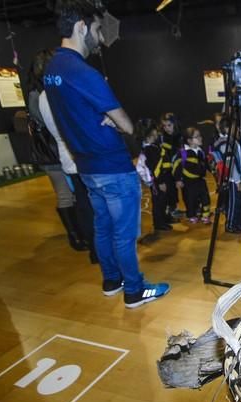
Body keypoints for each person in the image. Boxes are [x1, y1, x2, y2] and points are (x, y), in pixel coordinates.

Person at [44, 0, 170, 308]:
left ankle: (112, 281)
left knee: (102, 226)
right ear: (81, 27)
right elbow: (127, 125)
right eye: (98, 29)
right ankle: (134, 291)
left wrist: (99, 117)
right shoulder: (82, 71)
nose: (101, 38)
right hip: (111, 165)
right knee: (123, 234)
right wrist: (113, 119)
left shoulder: (51, 70)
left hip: (86, 166)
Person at [26, 49, 88, 253]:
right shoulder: (39, 95)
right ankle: (75, 236)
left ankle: (82, 231)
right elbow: (48, 124)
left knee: (75, 194)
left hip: (61, 150)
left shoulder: (48, 91)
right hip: (51, 153)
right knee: (64, 195)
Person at [137, 120, 173, 232]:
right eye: (154, 132)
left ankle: (165, 217)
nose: (157, 133)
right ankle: (159, 223)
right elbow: (154, 169)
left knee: (164, 200)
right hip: (157, 181)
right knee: (159, 202)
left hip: (162, 177)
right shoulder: (149, 150)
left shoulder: (153, 146)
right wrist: (160, 182)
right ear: (149, 135)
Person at [174, 127, 211, 224]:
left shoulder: (200, 151)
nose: (200, 138)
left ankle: (205, 215)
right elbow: (176, 166)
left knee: (205, 198)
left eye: (200, 136)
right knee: (190, 200)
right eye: (197, 137)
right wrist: (178, 180)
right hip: (188, 182)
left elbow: (205, 165)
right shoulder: (183, 153)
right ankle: (192, 215)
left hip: (200, 180)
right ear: (189, 140)